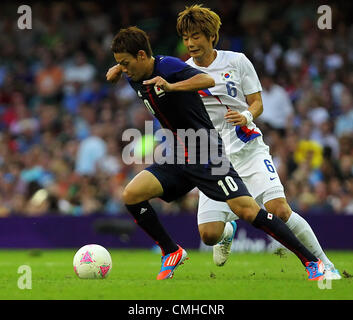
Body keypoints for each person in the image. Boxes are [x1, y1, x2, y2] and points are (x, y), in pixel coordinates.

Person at [106, 26, 325, 281]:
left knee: (247, 209)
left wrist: (172, 87)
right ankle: (171, 251)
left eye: (125, 63)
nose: (124, 68)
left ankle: (313, 262)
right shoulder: (133, 72)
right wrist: (116, 70)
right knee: (132, 195)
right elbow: (123, 70)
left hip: (206, 150)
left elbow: (207, 80)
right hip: (179, 152)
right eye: (120, 64)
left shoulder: (168, 68)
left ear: (142, 55)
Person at [176, 4, 341, 280]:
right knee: (209, 235)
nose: (190, 43)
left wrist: (245, 115)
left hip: (248, 149)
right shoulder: (183, 73)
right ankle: (228, 229)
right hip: (215, 159)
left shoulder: (237, 61)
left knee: (279, 209)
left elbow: (257, 103)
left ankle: (324, 264)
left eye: (196, 36)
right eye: (186, 37)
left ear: (210, 36)